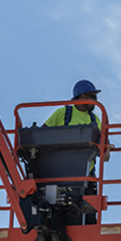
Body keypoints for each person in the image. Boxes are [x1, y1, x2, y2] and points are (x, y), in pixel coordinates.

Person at [44, 80, 107, 224]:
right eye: (93, 97)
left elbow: (104, 145)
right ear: (83, 97)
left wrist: (106, 148)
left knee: (89, 217)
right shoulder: (63, 113)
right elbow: (42, 134)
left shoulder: (95, 120)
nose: (96, 102)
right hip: (61, 173)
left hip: (86, 177)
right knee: (60, 214)